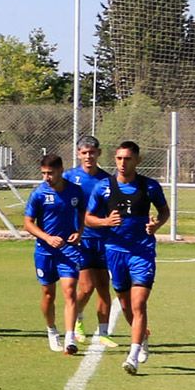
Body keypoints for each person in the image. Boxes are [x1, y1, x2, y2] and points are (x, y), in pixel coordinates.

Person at [84, 141, 169, 375]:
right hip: (114, 252)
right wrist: (105, 222)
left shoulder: (149, 186)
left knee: (138, 303)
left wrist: (156, 225)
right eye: (119, 158)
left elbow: (164, 211)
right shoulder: (103, 187)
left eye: (128, 158)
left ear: (138, 160)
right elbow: (88, 218)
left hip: (142, 252)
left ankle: (132, 357)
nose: (122, 163)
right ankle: (142, 338)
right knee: (125, 304)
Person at [24, 154, 87, 355]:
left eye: (50, 173)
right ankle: (51, 330)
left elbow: (83, 213)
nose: (46, 177)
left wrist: (79, 232)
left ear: (61, 170)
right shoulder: (39, 194)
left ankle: (70, 338)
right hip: (45, 251)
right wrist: (47, 237)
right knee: (48, 294)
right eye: (43, 173)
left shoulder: (75, 191)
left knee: (69, 290)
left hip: (69, 249)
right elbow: (28, 223)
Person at [63, 135, 117, 347]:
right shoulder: (69, 178)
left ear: (99, 153)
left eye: (92, 152)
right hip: (81, 240)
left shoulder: (107, 180)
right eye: (84, 153)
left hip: (103, 239)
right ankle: (77, 318)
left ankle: (103, 333)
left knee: (104, 286)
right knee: (86, 287)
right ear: (78, 154)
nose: (88, 156)